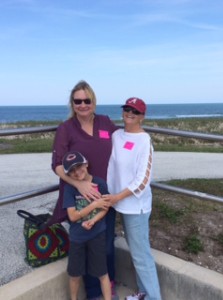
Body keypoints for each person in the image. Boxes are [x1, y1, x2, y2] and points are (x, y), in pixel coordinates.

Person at [50, 80, 118, 299]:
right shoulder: (66, 129)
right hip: (80, 200)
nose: (82, 105)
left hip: (106, 194)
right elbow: (57, 165)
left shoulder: (105, 122)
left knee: (106, 245)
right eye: (77, 101)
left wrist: (141, 134)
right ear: (72, 103)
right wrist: (79, 184)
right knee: (86, 247)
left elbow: (125, 140)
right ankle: (93, 293)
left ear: (93, 101)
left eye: (86, 100)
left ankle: (109, 287)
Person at [103, 98, 162, 300]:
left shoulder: (144, 140)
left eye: (135, 111)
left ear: (142, 117)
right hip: (116, 202)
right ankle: (143, 293)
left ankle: (153, 297)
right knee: (136, 252)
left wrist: (117, 196)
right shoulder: (116, 135)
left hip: (135, 206)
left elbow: (143, 180)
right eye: (127, 109)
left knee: (141, 256)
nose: (130, 113)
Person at [62, 151, 111, 300]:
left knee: (102, 273)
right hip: (77, 238)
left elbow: (105, 208)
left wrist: (94, 220)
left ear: (86, 164)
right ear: (68, 174)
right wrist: (93, 205)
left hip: (97, 235)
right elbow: (72, 216)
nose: (77, 172)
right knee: (75, 275)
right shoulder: (69, 189)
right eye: (72, 170)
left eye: (79, 166)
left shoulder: (100, 183)